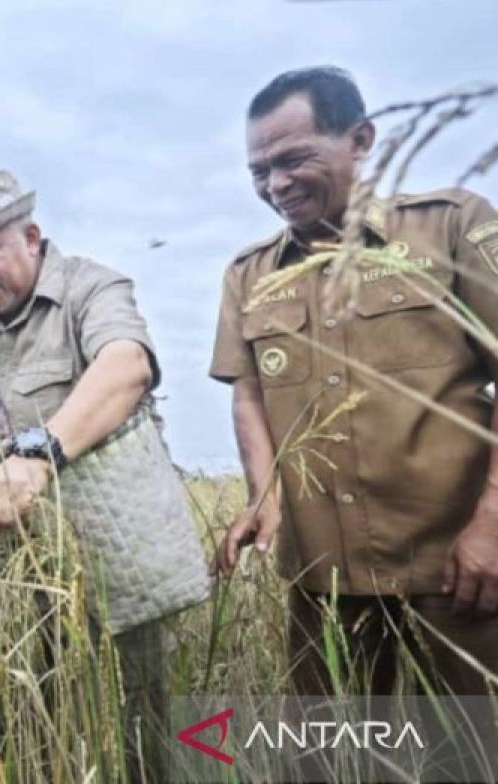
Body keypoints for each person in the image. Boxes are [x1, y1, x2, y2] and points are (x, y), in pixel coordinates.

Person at [0, 169, 209, 779]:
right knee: (10, 717)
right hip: (7, 569)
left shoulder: (92, 287)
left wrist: (36, 457)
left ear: (31, 235)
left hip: (111, 554)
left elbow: (126, 365)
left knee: (142, 721)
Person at [211, 66, 498, 699]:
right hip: (325, 582)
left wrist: (492, 524)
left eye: (293, 161)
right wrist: (262, 499)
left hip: (457, 572)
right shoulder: (248, 275)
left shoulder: (451, 227)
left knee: (468, 757)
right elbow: (250, 392)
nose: (275, 185)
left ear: (361, 140)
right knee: (330, 755)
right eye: (259, 171)